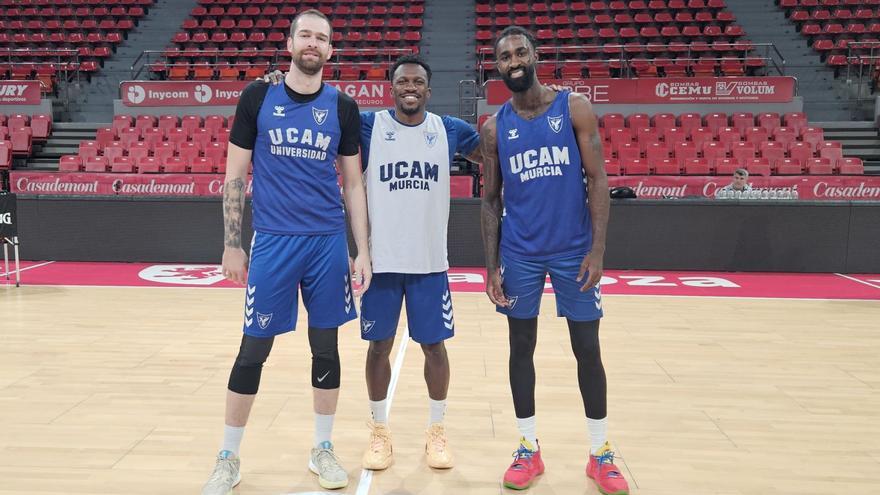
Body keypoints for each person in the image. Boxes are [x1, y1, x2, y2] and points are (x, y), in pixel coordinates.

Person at [264, 53, 482, 471]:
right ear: (392, 88)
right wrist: (281, 84)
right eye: (403, 82)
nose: (411, 88)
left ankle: (437, 431)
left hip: (430, 263)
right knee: (378, 346)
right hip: (381, 262)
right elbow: (317, 115)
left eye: (418, 82)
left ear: (428, 90)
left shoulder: (448, 130)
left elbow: (497, 152)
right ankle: (379, 431)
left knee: (434, 348)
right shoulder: (368, 125)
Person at [202, 9, 371, 494]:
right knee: (253, 349)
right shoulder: (258, 96)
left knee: (326, 348)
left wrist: (362, 249)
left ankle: (323, 449)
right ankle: (228, 457)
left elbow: (354, 184)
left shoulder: (343, 106)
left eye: (322, 37)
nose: (313, 43)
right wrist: (233, 243)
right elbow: (235, 176)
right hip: (273, 242)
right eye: (306, 35)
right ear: (290, 42)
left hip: (325, 244)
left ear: (331, 49)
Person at [479, 26, 629, 494]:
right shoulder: (493, 128)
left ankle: (600, 453)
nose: (514, 60)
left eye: (521, 51)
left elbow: (599, 179)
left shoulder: (574, 108)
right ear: (498, 66)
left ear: (536, 55)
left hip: (573, 252)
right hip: (520, 254)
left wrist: (598, 248)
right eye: (505, 56)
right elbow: (489, 200)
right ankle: (528, 448)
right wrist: (491, 267)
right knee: (520, 347)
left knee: (588, 348)